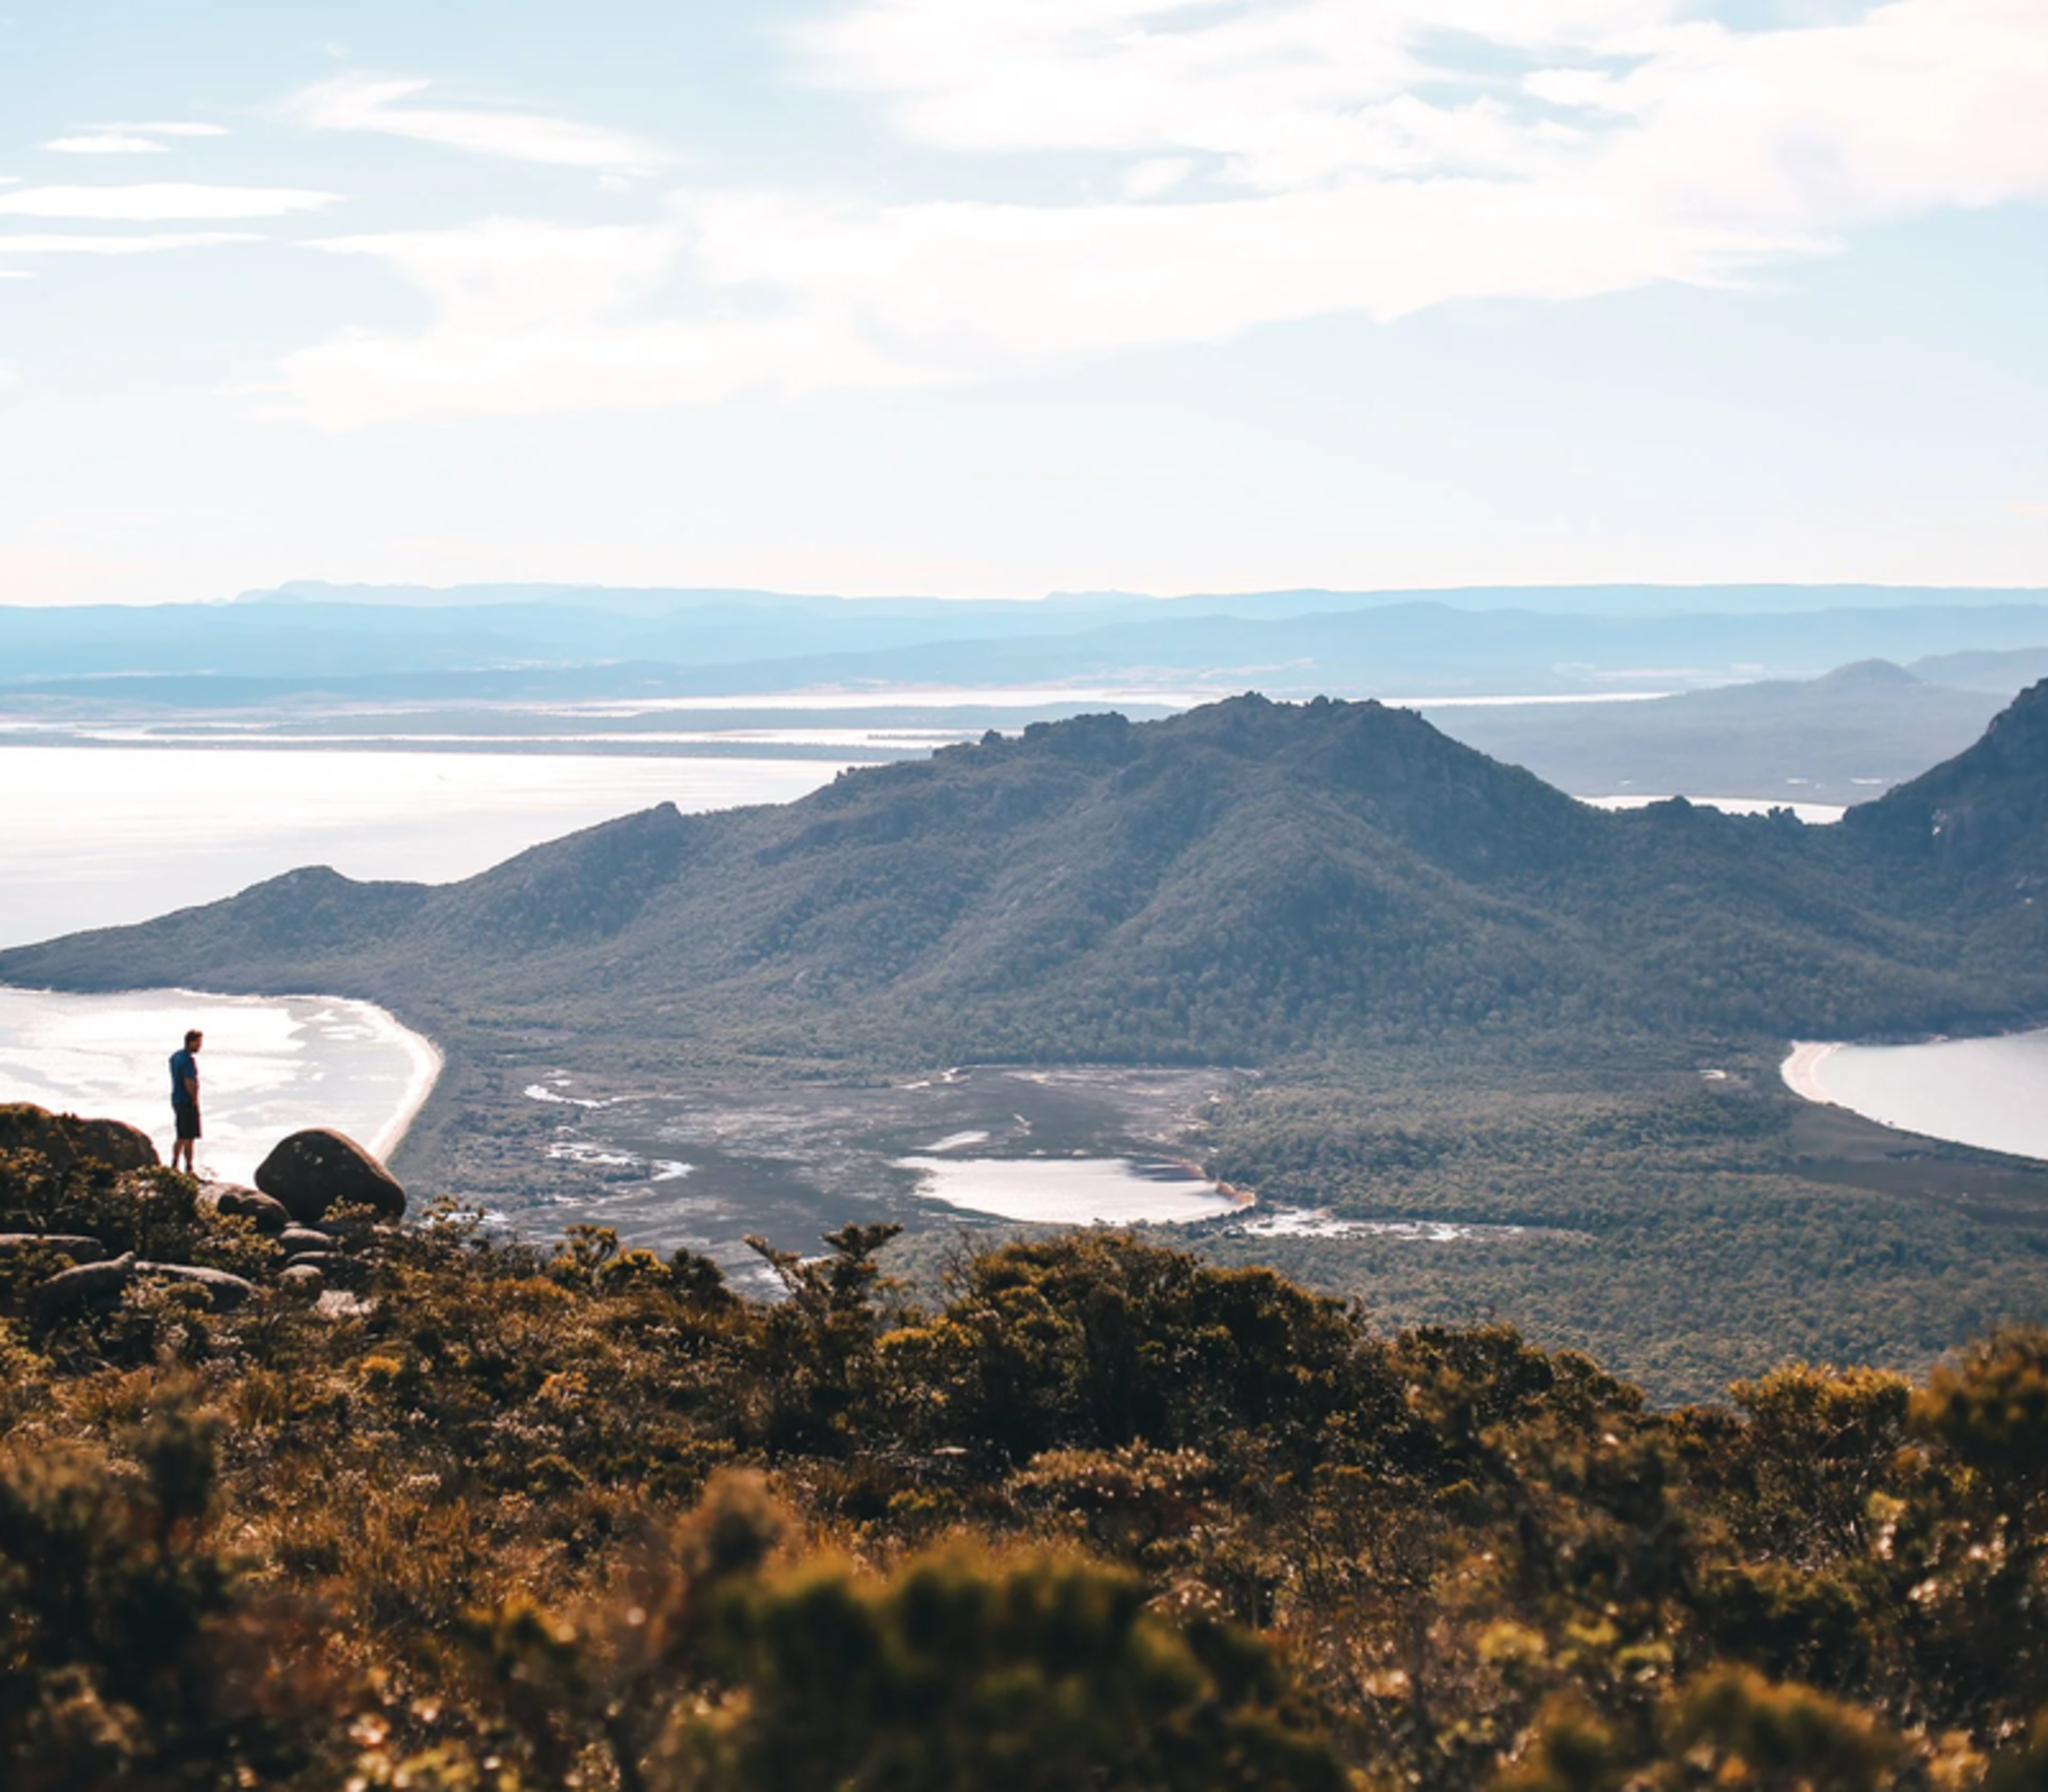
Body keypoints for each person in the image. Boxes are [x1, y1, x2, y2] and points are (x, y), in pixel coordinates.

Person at [169, 1028, 203, 1174]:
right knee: (188, 1137)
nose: (200, 1046)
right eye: (198, 1043)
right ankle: (188, 1167)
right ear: (191, 1042)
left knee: (182, 1134)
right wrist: (194, 1099)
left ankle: (176, 1164)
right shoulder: (188, 1060)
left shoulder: (176, 1057)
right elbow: (189, 1081)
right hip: (186, 1101)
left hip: (176, 1099)